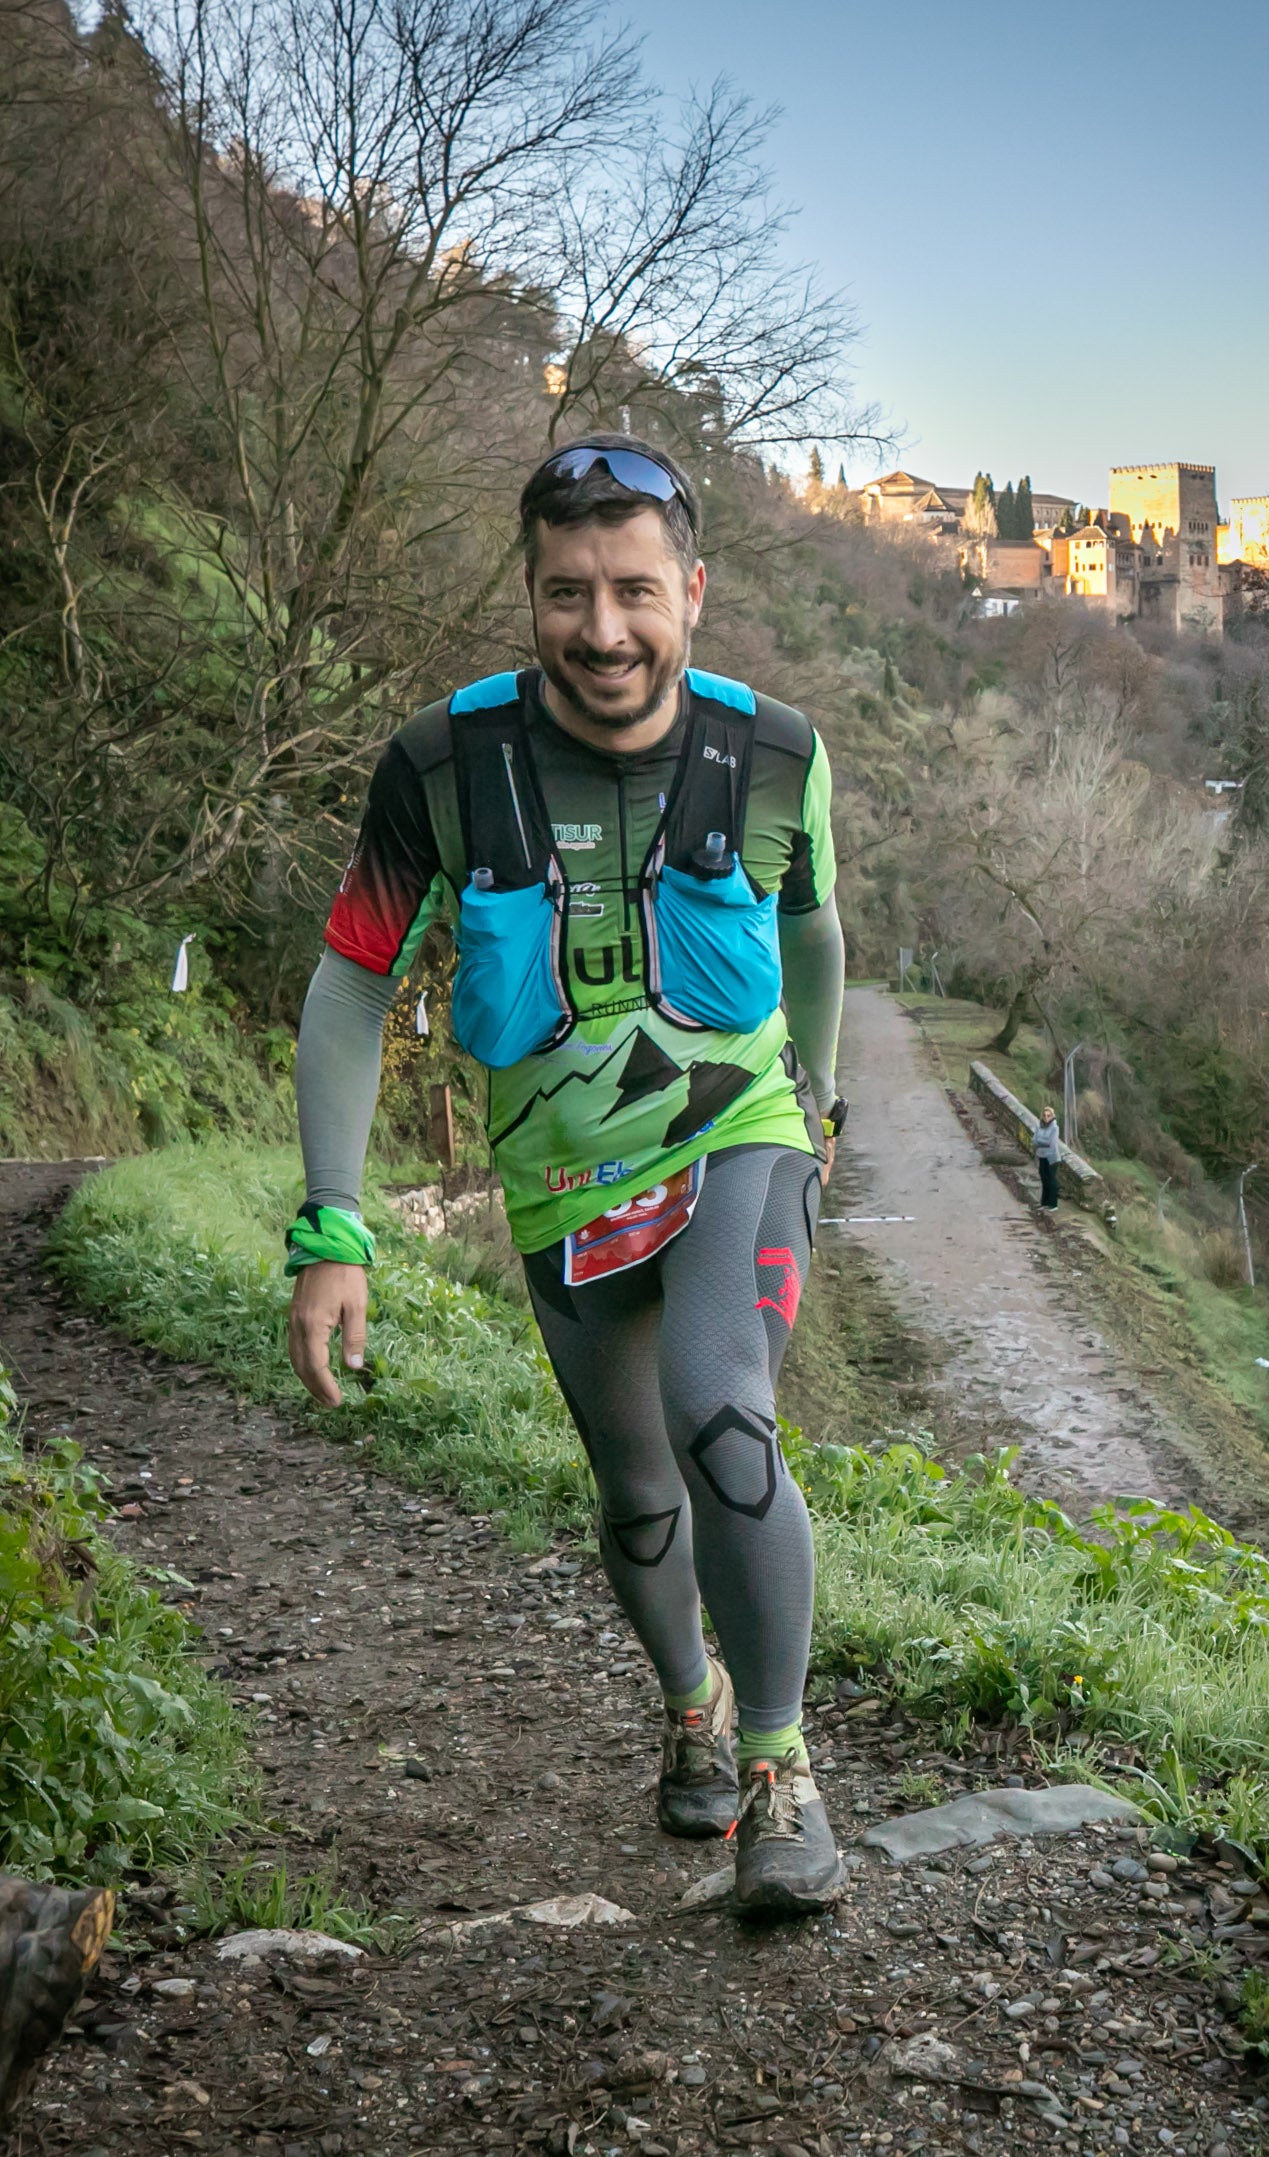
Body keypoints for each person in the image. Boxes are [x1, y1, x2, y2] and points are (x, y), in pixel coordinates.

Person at [282, 436, 850, 1917]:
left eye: (635, 592)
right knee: (637, 1487)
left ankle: (784, 1771)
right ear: (527, 590)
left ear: (693, 592)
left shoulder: (775, 750)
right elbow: (352, 981)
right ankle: (692, 1707)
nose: (603, 630)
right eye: (566, 593)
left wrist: (823, 1093)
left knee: (720, 1413)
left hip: (739, 1131)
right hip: (561, 1178)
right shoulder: (438, 767)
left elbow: (814, 932)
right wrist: (332, 1222)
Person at [1034, 1104, 1062, 1209]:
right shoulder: (1039, 1126)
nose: (1046, 1118)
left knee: (1051, 1179)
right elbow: (1034, 1140)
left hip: (1052, 1157)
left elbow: (1052, 1143)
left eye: (1049, 1115)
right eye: (1045, 1115)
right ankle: (1044, 1203)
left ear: (1052, 1116)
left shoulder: (1055, 1128)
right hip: (1042, 1156)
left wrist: (1040, 1141)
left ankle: (1053, 1204)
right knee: (1044, 1179)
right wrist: (1042, 1142)